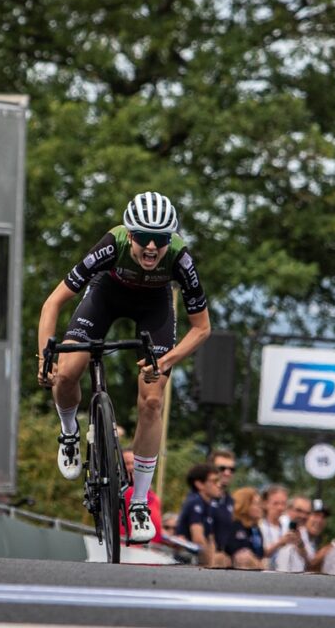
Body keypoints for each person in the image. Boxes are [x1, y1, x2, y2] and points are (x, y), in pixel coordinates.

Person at [37, 191, 211, 542]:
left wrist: (165, 362)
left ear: (170, 239)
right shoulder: (110, 244)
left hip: (155, 308)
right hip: (105, 295)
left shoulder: (179, 258)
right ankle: (70, 432)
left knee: (151, 400)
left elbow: (202, 328)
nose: (151, 247)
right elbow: (53, 301)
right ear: (128, 234)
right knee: (69, 370)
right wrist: (44, 357)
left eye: (160, 240)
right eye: (142, 238)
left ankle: (140, 502)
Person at [175, 463, 222, 566]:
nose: (219, 485)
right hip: (186, 558)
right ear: (199, 484)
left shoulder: (208, 503)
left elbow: (210, 538)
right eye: (214, 481)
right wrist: (210, 564)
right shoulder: (195, 502)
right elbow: (198, 538)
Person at [120, 448, 163, 544]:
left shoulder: (154, 496)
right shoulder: (121, 492)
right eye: (127, 464)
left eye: (134, 463)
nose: (131, 467)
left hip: (152, 551)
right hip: (129, 548)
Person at [224, 487, 266, 570]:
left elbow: (260, 555)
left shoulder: (256, 529)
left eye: (260, 504)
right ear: (244, 505)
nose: (260, 507)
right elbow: (239, 554)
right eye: (255, 504)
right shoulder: (233, 526)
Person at [209, 449, 236, 553]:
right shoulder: (201, 497)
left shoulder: (231, 501)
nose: (227, 473)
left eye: (231, 469)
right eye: (222, 468)